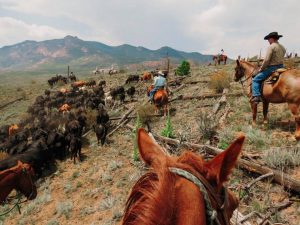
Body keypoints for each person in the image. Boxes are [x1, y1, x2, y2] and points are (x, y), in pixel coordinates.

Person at [251, 32, 286, 103]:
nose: (268, 41)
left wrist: (261, 69)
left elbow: (267, 60)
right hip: (282, 67)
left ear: (272, 38)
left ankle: (257, 96)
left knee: (255, 80)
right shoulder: (282, 47)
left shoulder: (271, 46)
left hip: (272, 68)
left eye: (268, 39)